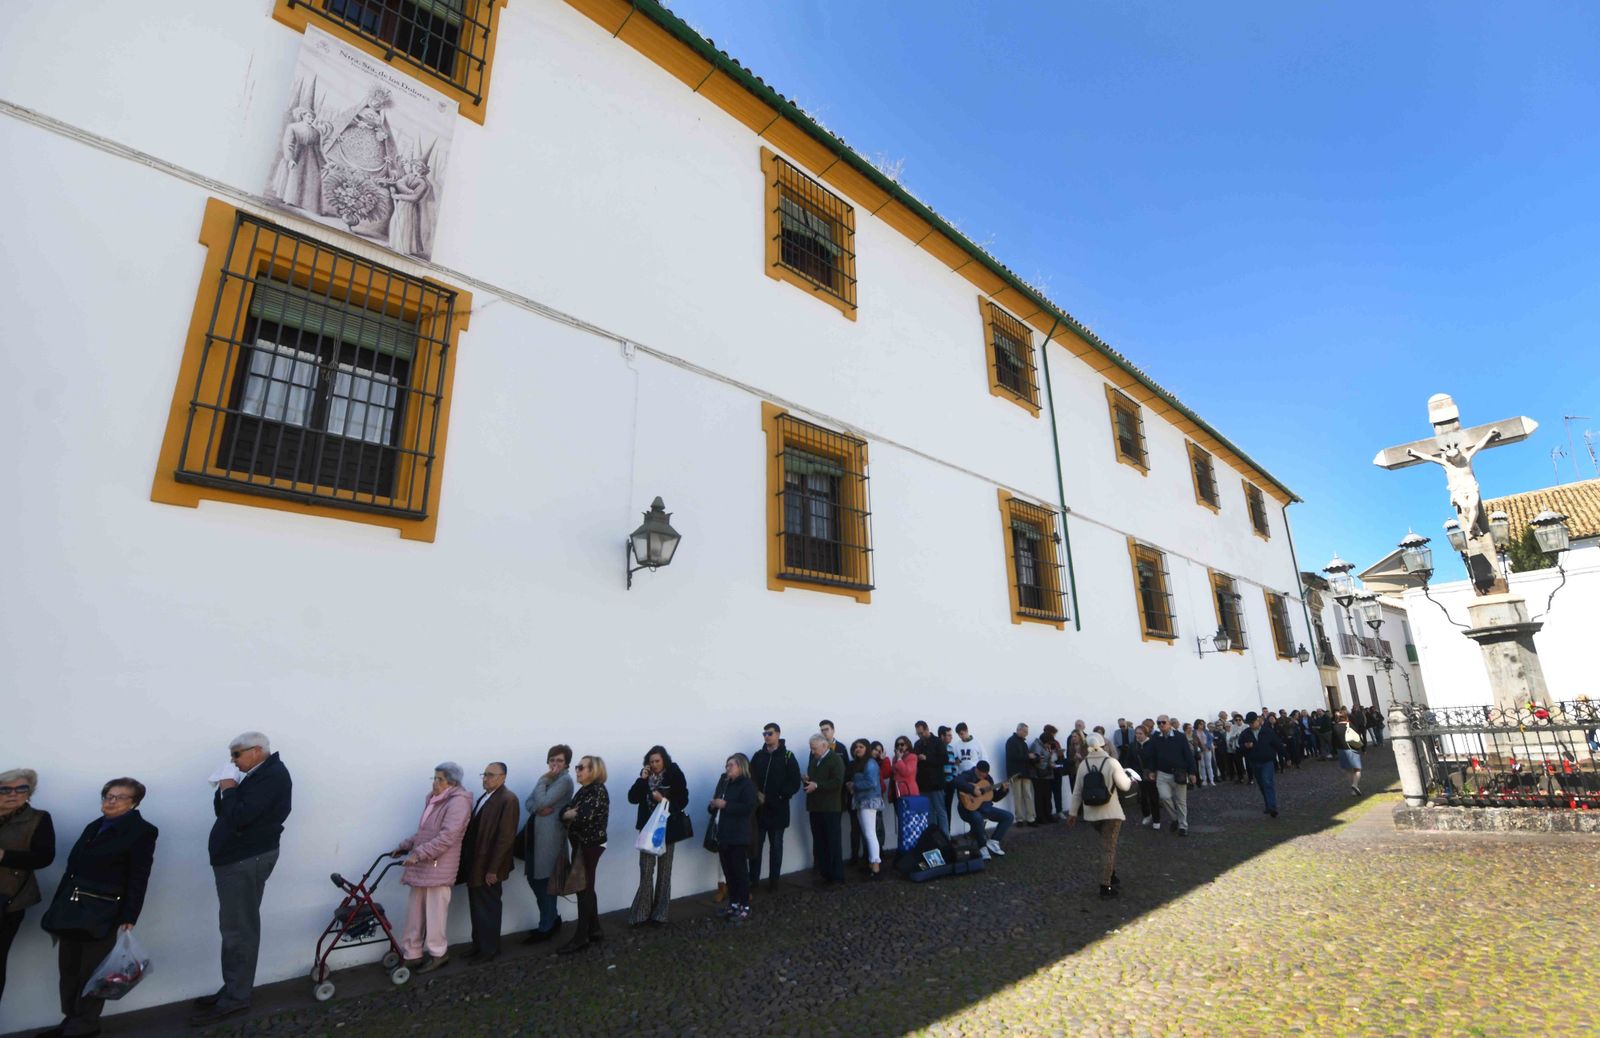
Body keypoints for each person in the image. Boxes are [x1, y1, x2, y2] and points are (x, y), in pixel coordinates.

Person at [39, 778, 158, 1038]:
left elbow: (139, 875)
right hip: (72, 906)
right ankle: (71, 1020)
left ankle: (85, 1024)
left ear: (134, 803)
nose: (110, 800)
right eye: (108, 795)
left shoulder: (142, 831)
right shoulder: (95, 826)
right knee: (68, 968)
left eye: (119, 797)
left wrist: (130, 914)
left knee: (92, 971)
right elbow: (72, 869)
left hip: (102, 911)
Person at [193, 731, 293, 1025]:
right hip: (237, 859)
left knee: (239, 928)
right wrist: (226, 789)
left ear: (256, 751)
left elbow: (239, 817)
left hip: (245, 860)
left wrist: (228, 788)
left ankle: (236, 997)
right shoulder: (256, 774)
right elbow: (224, 812)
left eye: (236, 755)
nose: (232, 761)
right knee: (234, 926)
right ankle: (233, 988)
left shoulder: (272, 775)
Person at [391, 762, 472, 972]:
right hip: (422, 864)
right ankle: (412, 953)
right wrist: (404, 847)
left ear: (451, 783)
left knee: (435, 914)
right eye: (434, 778)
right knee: (414, 913)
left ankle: (438, 954)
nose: (434, 783)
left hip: (439, 866)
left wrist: (418, 854)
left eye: (439, 779)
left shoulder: (458, 803)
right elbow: (424, 832)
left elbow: (448, 837)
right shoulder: (434, 800)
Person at [0, 768, 54, 1007]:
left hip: (8, 900)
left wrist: (4, 856)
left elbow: (44, 858)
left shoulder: (38, 819)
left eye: (21, 788)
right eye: (5, 789)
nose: (13, 794)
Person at [458, 762, 519, 963]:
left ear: (503, 777)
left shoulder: (508, 799)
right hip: (476, 864)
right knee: (477, 907)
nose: (485, 778)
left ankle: (490, 949)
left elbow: (506, 838)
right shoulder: (487, 796)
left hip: (489, 866)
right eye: (484, 774)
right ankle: (479, 945)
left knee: (489, 908)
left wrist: (494, 869)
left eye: (491, 775)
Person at [1066, 733, 1138, 897]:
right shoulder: (1112, 763)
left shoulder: (1084, 764)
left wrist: (1072, 813)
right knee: (1108, 849)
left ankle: (1111, 875)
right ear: (1104, 745)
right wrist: (1129, 778)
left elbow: (1077, 791)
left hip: (1092, 815)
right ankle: (1105, 886)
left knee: (1107, 846)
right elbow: (1124, 786)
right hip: (1111, 813)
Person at [625, 746, 690, 926]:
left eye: (657, 761)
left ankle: (660, 914)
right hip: (647, 829)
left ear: (664, 760)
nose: (654, 765)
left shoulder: (674, 774)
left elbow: (683, 799)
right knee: (646, 870)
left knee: (664, 871)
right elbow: (632, 798)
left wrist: (663, 801)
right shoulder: (645, 778)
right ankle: (642, 913)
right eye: (651, 762)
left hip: (667, 829)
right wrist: (642, 779)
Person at [521, 745, 575, 944]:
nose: (554, 764)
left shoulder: (564, 780)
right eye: (552, 760)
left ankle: (547, 926)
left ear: (566, 763)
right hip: (537, 837)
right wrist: (537, 808)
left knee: (545, 883)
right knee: (536, 880)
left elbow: (542, 802)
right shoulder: (549, 779)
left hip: (551, 839)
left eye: (559, 761)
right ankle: (551, 919)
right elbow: (529, 802)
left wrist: (542, 784)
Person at [558, 756, 610, 955]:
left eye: (581, 767)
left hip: (590, 845)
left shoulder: (596, 791)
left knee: (584, 888)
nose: (577, 770)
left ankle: (581, 937)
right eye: (577, 767)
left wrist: (570, 815)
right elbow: (564, 812)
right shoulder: (584, 791)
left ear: (593, 771)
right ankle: (595, 929)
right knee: (586, 887)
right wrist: (567, 814)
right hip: (581, 844)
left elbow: (583, 818)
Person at [748, 724, 801, 893]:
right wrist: (756, 794)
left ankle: (774, 881)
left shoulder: (788, 756)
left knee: (776, 847)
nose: (766, 736)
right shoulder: (758, 756)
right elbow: (750, 778)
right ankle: (753, 880)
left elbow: (794, 782)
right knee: (756, 846)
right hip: (760, 810)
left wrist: (780, 796)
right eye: (764, 733)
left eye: (769, 733)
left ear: (778, 734)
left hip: (778, 810)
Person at [709, 754, 757, 919]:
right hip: (724, 834)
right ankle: (733, 903)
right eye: (726, 765)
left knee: (739, 872)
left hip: (738, 835)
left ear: (740, 766)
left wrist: (726, 805)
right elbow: (719, 806)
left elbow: (748, 807)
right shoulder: (725, 783)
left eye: (731, 765)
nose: (727, 768)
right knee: (728, 871)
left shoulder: (747, 785)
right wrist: (714, 805)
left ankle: (745, 905)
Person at [803, 734, 845, 885]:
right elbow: (815, 781)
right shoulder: (815, 761)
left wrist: (817, 785)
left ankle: (837, 876)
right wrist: (807, 782)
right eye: (811, 748)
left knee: (832, 842)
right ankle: (826, 873)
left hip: (830, 808)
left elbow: (837, 782)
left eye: (814, 748)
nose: (812, 751)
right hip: (816, 807)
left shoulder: (835, 759)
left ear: (824, 746)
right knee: (820, 842)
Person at [952, 761, 1012, 857]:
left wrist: (1003, 790)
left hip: (985, 809)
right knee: (978, 818)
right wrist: (972, 789)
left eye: (984, 775)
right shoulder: (967, 774)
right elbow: (956, 782)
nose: (982, 777)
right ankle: (982, 847)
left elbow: (994, 797)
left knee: (1008, 816)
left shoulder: (988, 779)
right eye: (980, 774)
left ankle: (994, 841)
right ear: (976, 769)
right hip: (967, 810)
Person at [1149, 716, 1196, 836]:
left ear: (1169, 724)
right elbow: (1153, 756)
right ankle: (1175, 818)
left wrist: (1192, 772)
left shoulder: (1180, 737)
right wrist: (1152, 770)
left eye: (1163, 722)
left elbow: (1188, 754)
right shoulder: (1155, 738)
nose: (1161, 725)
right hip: (1162, 773)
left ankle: (1183, 826)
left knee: (1181, 801)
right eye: (1158, 723)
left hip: (1179, 773)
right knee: (1164, 797)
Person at [846, 741, 884, 879]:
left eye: (861, 747)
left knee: (870, 833)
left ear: (867, 749)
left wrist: (853, 785)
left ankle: (876, 866)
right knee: (867, 833)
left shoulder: (870, 763)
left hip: (869, 801)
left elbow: (871, 782)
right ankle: (871, 864)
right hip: (861, 801)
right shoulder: (859, 764)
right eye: (855, 747)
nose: (857, 749)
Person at [912, 721, 950, 837]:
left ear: (927, 729)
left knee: (940, 811)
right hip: (923, 783)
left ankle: (945, 838)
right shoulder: (918, 744)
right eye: (918, 734)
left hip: (936, 782)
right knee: (929, 813)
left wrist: (927, 758)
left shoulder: (938, 742)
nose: (920, 735)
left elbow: (944, 760)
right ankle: (933, 838)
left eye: (922, 733)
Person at [1239, 712, 1281, 817]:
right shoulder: (1245, 733)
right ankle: (1268, 805)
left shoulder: (1267, 731)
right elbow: (1240, 748)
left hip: (1267, 761)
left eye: (1253, 722)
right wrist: (1245, 746)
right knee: (1262, 784)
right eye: (1250, 723)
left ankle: (1272, 806)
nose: (1251, 725)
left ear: (1258, 720)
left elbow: (1277, 744)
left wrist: (1286, 756)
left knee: (1267, 782)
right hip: (1254, 761)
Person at [1003, 724, 1037, 827]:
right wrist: (1028, 756)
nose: (1027, 734)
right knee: (1018, 796)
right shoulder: (1011, 741)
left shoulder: (1023, 743)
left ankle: (1031, 818)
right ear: (1019, 730)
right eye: (1025, 731)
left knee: (1028, 795)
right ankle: (1020, 819)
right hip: (1015, 774)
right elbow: (1013, 756)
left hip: (1025, 773)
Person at [1029, 725, 1062, 824]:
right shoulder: (1036, 746)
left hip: (1046, 775)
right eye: (1048, 743)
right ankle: (1041, 817)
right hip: (1038, 776)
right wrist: (1049, 763)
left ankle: (1048, 815)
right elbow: (1037, 761)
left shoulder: (1043, 746)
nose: (1049, 745)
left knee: (1047, 796)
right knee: (1040, 797)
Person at [1134, 725, 1161, 826]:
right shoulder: (1134, 745)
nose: (1138, 736)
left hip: (1151, 774)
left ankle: (1156, 820)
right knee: (1143, 797)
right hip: (1139, 774)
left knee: (1153, 797)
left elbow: (1156, 758)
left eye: (1140, 733)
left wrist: (1153, 770)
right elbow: (1130, 759)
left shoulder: (1152, 744)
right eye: (1136, 733)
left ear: (1146, 734)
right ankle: (1146, 814)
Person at [1334, 710, 1364, 795]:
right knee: (1357, 769)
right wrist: (1362, 746)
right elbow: (1357, 736)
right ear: (1346, 717)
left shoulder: (1335, 727)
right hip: (1352, 748)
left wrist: (1334, 750)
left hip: (1341, 750)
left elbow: (1333, 740)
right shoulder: (1350, 725)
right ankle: (1355, 785)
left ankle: (1353, 788)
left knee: (1348, 770)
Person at [1193, 718, 1216, 787]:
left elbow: (1210, 739)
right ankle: (1204, 780)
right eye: (1200, 724)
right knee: (1202, 765)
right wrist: (1199, 748)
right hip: (1200, 750)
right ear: (1197, 724)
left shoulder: (1206, 731)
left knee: (1208, 765)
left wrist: (1207, 746)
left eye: (1203, 724)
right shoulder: (1194, 732)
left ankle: (1211, 780)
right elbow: (1194, 741)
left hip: (1207, 749)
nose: (1202, 725)